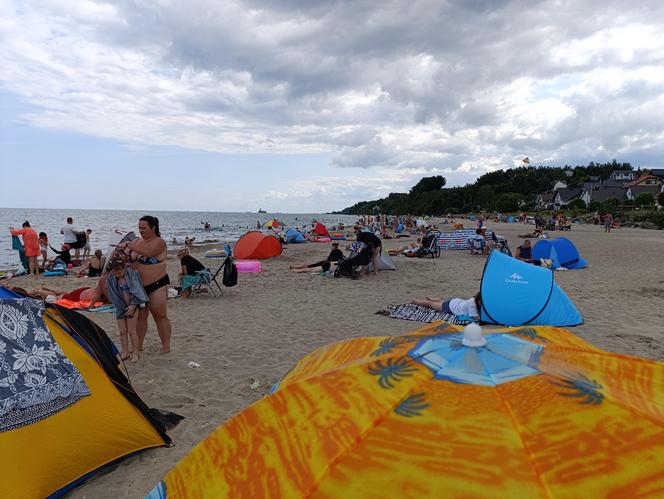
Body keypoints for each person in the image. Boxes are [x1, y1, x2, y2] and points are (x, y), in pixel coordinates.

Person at [115, 216, 171, 354]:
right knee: (141, 317)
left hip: (157, 284)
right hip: (138, 287)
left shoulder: (159, 242)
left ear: (153, 228)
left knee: (160, 316)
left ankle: (166, 347)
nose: (140, 231)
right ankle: (138, 346)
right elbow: (125, 258)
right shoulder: (138, 242)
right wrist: (122, 249)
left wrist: (129, 244)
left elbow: (148, 253)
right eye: (139, 228)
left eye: (144, 228)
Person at [106, 257, 149, 363]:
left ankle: (135, 352)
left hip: (133, 305)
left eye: (120, 270)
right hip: (120, 306)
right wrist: (120, 307)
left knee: (131, 331)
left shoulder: (132, 275)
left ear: (124, 268)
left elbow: (138, 292)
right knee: (122, 331)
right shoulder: (110, 278)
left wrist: (133, 306)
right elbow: (112, 294)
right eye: (115, 271)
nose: (118, 273)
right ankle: (125, 352)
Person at [411, 292, 482, 319]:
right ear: (479, 301)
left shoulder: (475, 300)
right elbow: (475, 317)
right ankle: (417, 301)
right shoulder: (472, 304)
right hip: (450, 307)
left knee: (443, 302)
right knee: (430, 304)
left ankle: (437, 299)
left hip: (456, 302)